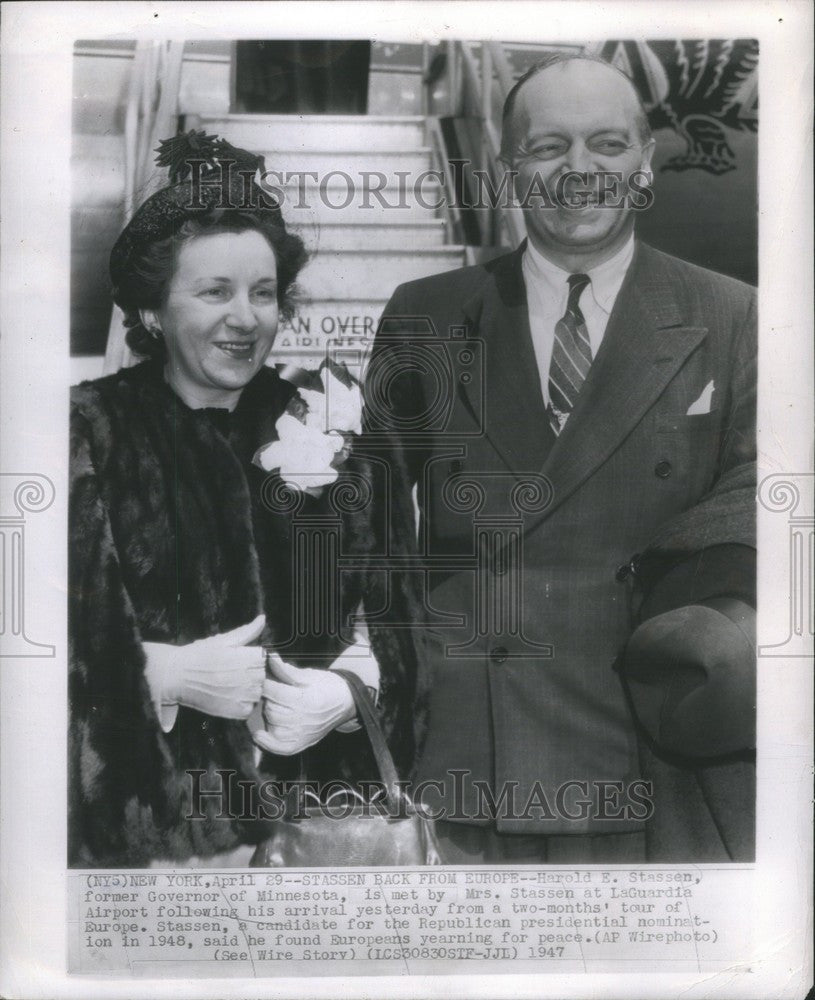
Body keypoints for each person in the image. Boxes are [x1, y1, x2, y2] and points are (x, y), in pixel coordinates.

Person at [360, 52, 756, 863]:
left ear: (645, 164)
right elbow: (363, 516)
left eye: (608, 145)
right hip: (471, 758)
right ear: (508, 168)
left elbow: (764, 511)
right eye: (547, 148)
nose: (579, 171)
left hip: (659, 752)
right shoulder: (425, 314)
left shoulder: (732, 316)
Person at [69, 133, 386, 867]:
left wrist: (353, 687)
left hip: (319, 823)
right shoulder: (90, 428)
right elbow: (32, 638)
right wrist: (155, 675)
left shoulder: (324, 413)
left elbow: (406, 607)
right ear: (151, 310)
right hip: (151, 836)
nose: (245, 317)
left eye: (263, 292)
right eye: (214, 291)